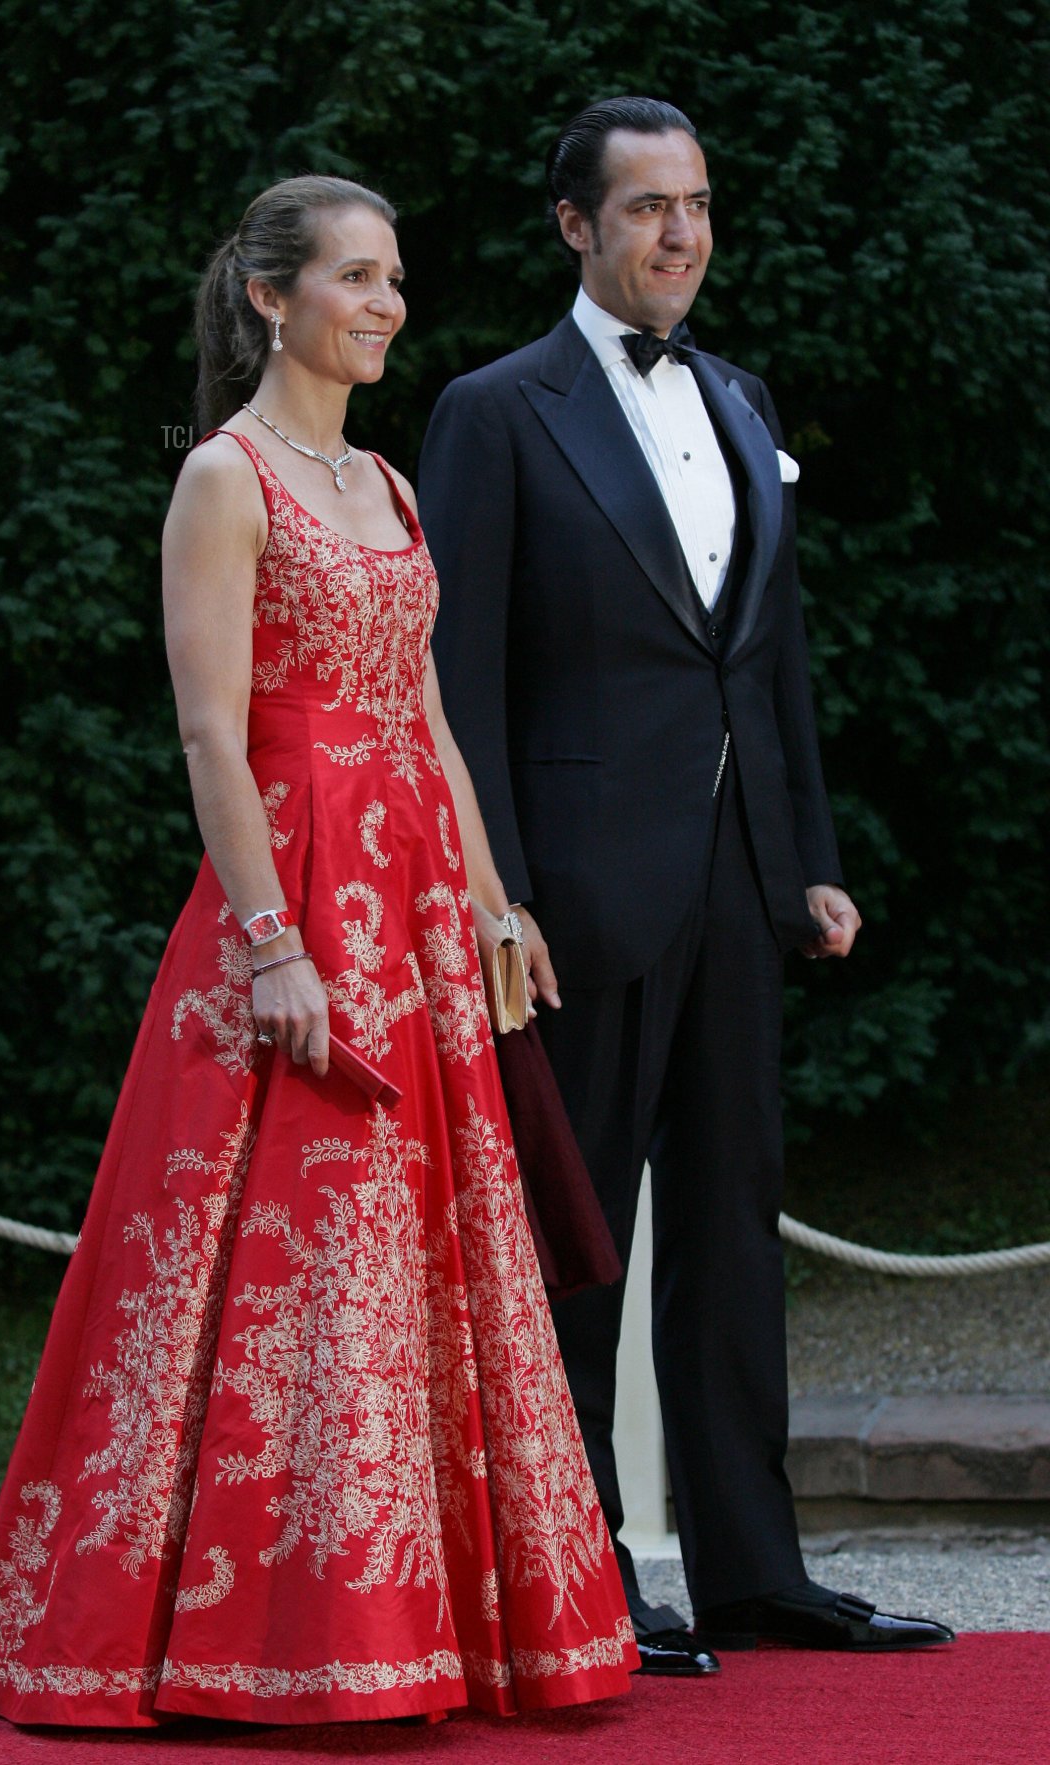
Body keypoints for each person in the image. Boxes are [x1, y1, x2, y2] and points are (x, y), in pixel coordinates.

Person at [0, 174, 639, 1729]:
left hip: (417, 907)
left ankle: (427, 1624)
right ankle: (243, 1635)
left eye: (394, 278)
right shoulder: (225, 475)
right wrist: (269, 947)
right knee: (280, 1250)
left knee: (422, 1251)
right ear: (270, 297)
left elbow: (429, 716)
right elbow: (210, 731)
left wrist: (494, 900)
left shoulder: (388, 483)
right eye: (355, 276)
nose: (387, 304)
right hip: (297, 887)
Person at [419, 98, 954, 1675]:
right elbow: (456, 680)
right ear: (575, 225)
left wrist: (810, 860)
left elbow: (768, 656)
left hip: (736, 884)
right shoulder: (493, 410)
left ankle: (755, 1573)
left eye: (699, 203)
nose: (682, 232)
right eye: (648, 205)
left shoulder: (738, 394)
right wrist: (498, 894)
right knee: (574, 1244)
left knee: (730, 1230)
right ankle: (574, 1571)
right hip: (571, 899)